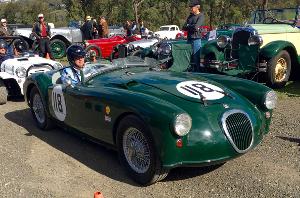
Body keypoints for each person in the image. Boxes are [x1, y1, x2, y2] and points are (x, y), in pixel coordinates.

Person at [182, 0, 205, 72]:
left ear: (197, 7)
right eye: (190, 7)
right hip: (189, 39)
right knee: (188, 57)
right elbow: (183, 27)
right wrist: (192, 26)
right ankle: (189, 71)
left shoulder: (201, 16)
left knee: (196, 58)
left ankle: (197, 72)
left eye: (192, 7)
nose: (191, 8)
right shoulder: (190, 16)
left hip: (196, 39)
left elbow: (196, 27)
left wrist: (189, 26)